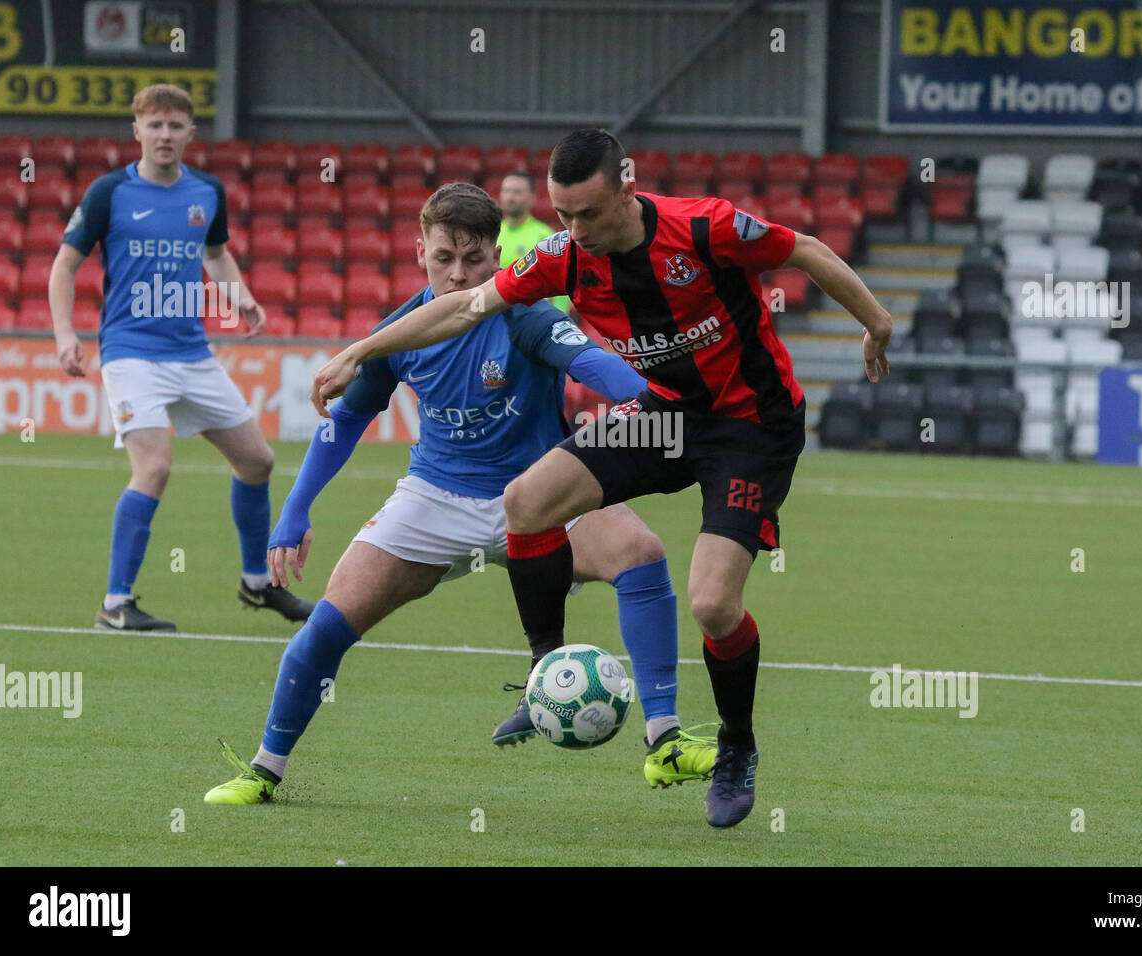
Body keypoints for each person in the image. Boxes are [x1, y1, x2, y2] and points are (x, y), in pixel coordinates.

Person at [310, 129, 893, 829]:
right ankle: (544, 671)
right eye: (562, 216)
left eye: (587, 213)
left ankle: (736, 744)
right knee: (527, 500)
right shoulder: (563, 258)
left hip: (749, 427)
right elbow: (465, 307)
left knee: (712, 605)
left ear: (628, 184)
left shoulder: (702, 228)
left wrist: (877, 324)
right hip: (666, 417)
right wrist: (361, 349)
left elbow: (805, 250)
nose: (574, 230)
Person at [204, 183, 715, 805]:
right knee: (328, 624)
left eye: (474, 260)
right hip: (434, 499)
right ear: (420, 251)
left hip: (540, 494)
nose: (458, 274)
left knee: (640, 553)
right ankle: (264, 770)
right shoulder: (401, 332)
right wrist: (295, 508)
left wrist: (652, 400)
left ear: (497, 257)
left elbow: (599, 370)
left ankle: (663, 742)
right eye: (444, 258)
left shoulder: (526, 315)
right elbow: (344, 422)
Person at [49, 83, 313, 631]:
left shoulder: (207, 192)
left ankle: (257, 583)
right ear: (137, 130)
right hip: (131, 352)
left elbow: (215, 255)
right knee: (155, 467)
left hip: (191, 352)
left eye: (175, 126)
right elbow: (64, 265)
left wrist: (239, 295)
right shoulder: (108, 192)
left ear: (191, 133)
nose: (164, 135)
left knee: (257, 461)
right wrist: (63, 335)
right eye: (155, 124)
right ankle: (115, 604)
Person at [496, 171, 572, 314]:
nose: (510, 197)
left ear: (532, 198)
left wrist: (558, 316)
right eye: (506, 191)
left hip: (533, 318)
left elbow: (562, 281)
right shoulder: (493, 233)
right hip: (496, 316)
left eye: (517, 192)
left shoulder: (545, 236)